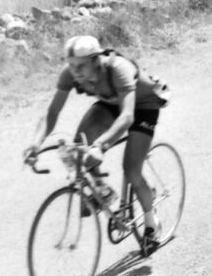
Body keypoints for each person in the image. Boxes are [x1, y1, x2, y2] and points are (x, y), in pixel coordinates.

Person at [25, 35, 172, 254]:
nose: (76, 71)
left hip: (142, 107)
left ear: (96, 60)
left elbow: (127, 117)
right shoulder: (70, 74)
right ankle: (102, 192)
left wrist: (100, 146)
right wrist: (36, 144)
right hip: (110, 104)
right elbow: (53, 112)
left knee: (131, 171)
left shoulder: (118, 69)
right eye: (71, 65)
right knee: (76, 150)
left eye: (81, 66)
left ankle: (151, 224)